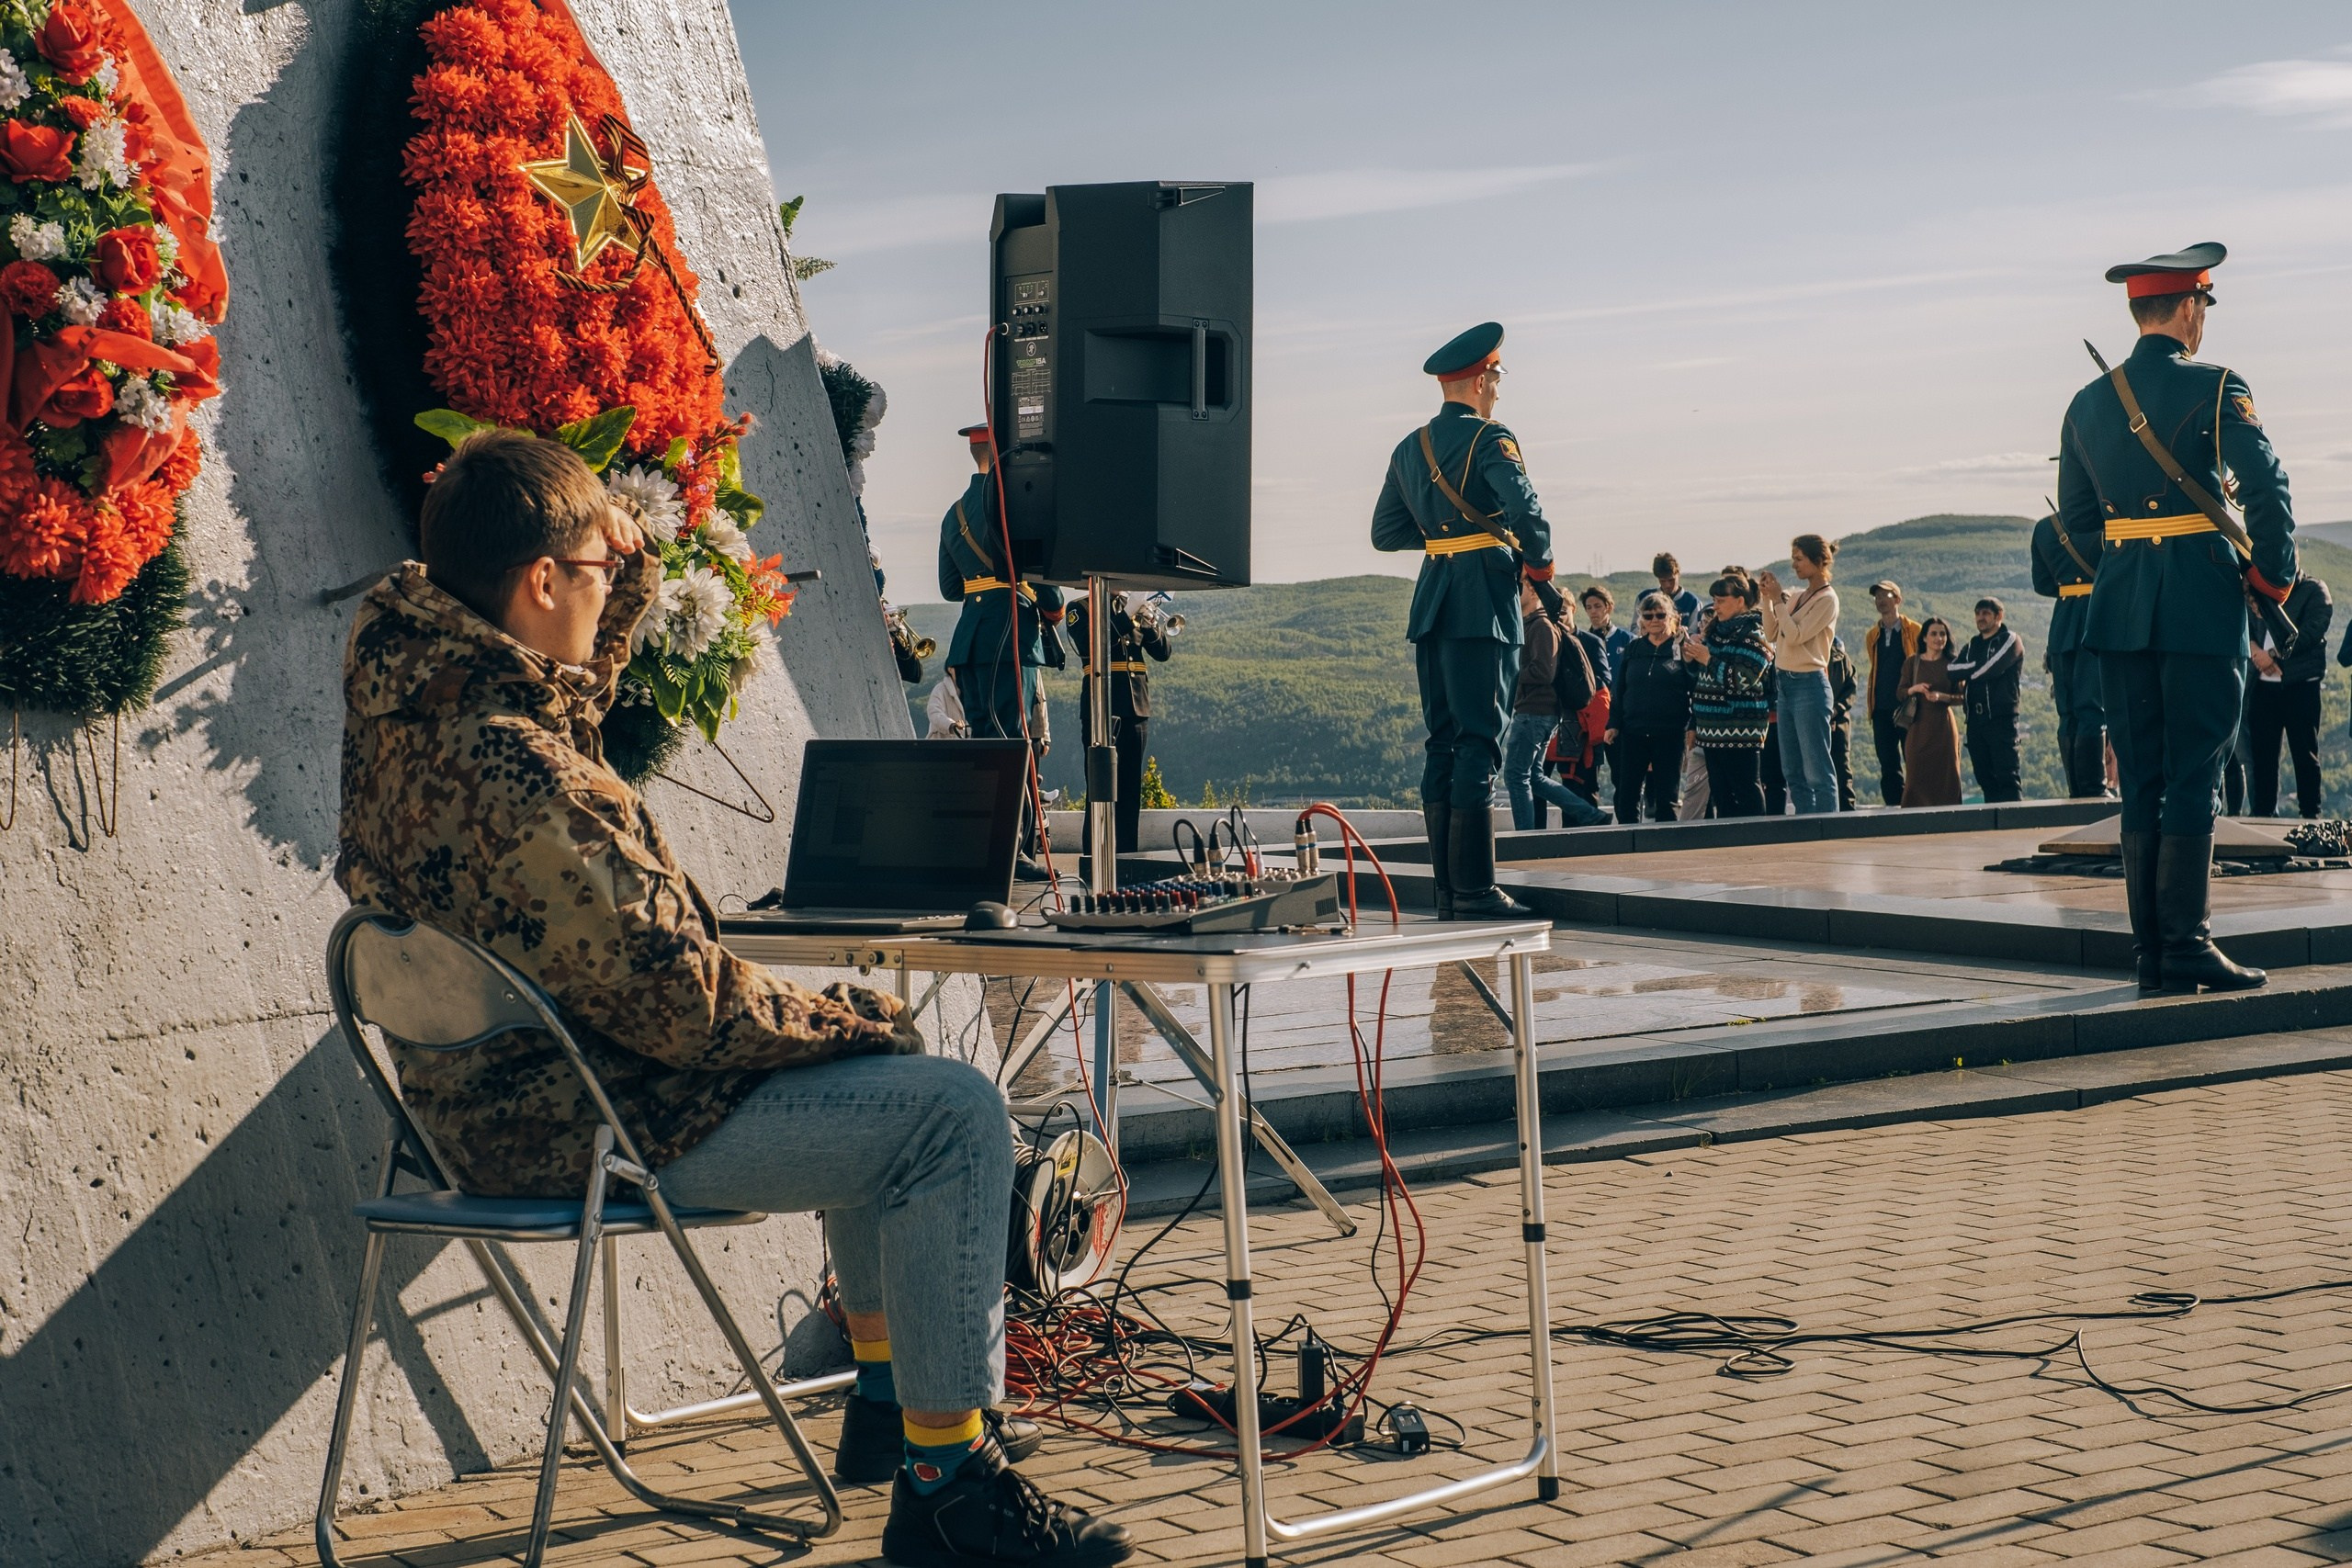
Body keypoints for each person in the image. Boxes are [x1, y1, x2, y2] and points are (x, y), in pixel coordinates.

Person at [336, 431, 1128, 1568]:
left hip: (472, 1107)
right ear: (543, 581)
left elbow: (567, 700)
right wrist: (854, 1020)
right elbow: (687, 1010)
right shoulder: (520, 769)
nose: (615, 578)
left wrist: (629, 568)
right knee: (946, 1111)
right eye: (598, 570)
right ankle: (953, 1485)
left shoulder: (413, 707)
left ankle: (887, 1397)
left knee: (875, 1082)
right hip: (590, 1122)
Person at [2057, 242, 2294, 993]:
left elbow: (2078, 521)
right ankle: (2186, 945)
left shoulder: (2087, 404)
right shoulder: (2220, 384)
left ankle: (2151, 951)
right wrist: (2267, 580)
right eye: (2204, 307)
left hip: (2120, 611)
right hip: (2198, 601)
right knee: (2197, 773)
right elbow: (2269, 493)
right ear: (2191, 308)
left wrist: (2131, 567)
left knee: (2144, 778)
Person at [1371, 321, 1554, 919]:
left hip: (1433, 600)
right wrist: (1540, 563)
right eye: (1496, 376)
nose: (1498, 386)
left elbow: (1386, 532)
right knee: (1479, 741)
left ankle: (1448, 890)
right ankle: (1475, 890)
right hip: (1482, 599)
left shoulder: (1410, 446)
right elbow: (1527, 511)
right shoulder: (1491, 438)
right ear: (1481, 378)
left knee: (1443, 744)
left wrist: (1442, 537)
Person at [939, 423, 1067, 881]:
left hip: (970, 639)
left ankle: (984, 847)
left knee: (983, 745)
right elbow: (1049, 596)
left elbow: (950, 587)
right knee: (1015, 744)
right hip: (1010, 634)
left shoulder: (953, 514)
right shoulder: (1017, 508)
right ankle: (1016, 853)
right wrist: (1049, 606)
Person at [1065, 592, 1173, 860]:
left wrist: (1150, 627)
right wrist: (1126, 617)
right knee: (1100, 787)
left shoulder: (1131, 607)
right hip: (1102, 704)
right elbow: (1090, 645)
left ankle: (1127, 858)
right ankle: (1094, 859)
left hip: (1136, 705)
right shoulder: (1080, 607)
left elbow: (1163, 653)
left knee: (1129, 791)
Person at [1502, 581, 1610, 829]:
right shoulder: (1537, 623)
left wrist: (1510, 672)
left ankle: (1525, 839)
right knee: (1535, 778)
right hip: (1540, 713)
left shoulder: (1541, 626)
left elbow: (1543, 671)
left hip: (1534, 713)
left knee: (1516, 777)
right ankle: (1591, 815)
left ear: (1531, 588)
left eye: (1518, 587)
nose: (1514, 592)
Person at [1757, 536, 1840, 815]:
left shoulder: (1827, 599)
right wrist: (1768, 600)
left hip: (1809, 685)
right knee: (1792, 770)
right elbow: (1771, 634)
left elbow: (1794, 637)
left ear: (1818, 562)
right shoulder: (1797, 597)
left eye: (1799, 558)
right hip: (1786, 685)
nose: (1794, 565)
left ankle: (1827, 826)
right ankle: (1806, 826)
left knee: (1817, 769)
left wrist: (1779, 602)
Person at [2030, 508, 2108, 797]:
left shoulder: (2044, 527)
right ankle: (2093, 787)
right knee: (2091, 708)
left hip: (2062, 622)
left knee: (2068, 711)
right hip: (2096, 617)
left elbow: (2042, 584)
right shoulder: (2104, 520)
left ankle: (2077, 788)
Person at [1684, 572, 1772, 817]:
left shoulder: (1756, 633)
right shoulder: (1714, 631)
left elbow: (1742, 680)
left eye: (1722, 600)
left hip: (1740, 729)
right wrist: (1691, 660)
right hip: (1710, 730)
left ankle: (1756, 843)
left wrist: (1707, 659)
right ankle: (1729, 848)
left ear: (1740, 600)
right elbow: (1701, 677)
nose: (1716, 606)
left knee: (1745, 790)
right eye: (1714, 600)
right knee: (1721, 794)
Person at [2247, 574, 2331, 817]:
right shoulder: (2259, 589)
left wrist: (2271, 655)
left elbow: (2311, 632)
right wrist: (2255, 652)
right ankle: (2263, 815)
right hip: (2263, 686)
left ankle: (2310, 816)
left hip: (2300, 685)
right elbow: (2242, 622)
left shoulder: (2313, 590)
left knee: (2304, 754)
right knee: (2263, 757)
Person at [1605, 591, 1690, 820]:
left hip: (1670, 732)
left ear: (1670, 617)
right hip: (1633, 730)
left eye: (1660, 615)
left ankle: (1665, 847)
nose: (1654, 620)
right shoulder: (1634, 649)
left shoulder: (1681, 648)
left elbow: (1692, 687)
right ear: (1641, 618)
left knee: (1667, 797)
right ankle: (1627, 842)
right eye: (1648, 615)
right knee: (1627, 794)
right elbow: (1620, 690)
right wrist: (1614, 724)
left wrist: (1691, 726)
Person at [1950, 597, 2025, 804]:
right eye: (1978, 613)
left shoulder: (2010, 639)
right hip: (1975, 720)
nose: (1981, 618)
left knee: (2007, 775)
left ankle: (2016, 824)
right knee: (1984, 776)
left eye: (1986, 613)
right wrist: (1976, 667)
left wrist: (1971, 669)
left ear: (1998, 616)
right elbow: (1952, 670)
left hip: (2002, 718)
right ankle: (1995, 826)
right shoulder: (1973, 643)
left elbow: (1991, 668)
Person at [1862, 581, 1922, 806]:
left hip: (1909, 707)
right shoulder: (1873, 636)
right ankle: (1893, 808)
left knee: (1913, 760)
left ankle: (1916, 806)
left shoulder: (1914, 631)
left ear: (1898, 599)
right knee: (1888, 764)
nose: (1880, 600)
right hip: (1881, 708)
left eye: (1884, 595)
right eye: (1876, 596)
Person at [1897, 616, 1964, 807]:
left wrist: (1943, 697)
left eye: (1942, 634)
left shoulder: (1952, 664)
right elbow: (1900, 692)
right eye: (1934, 634)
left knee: (1947, 776)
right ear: (1924, 638)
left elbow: (1963, 697)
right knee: (1916, 776)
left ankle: (1949, 821)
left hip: (1943, 728)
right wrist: (1915, 689)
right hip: (1918, 727)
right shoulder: (1913, 663)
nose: (1939, 638)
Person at [1827, 634, 1860, 811]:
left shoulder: (1840, 654)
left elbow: (1851, 690)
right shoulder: (1804, 652)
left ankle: (1848, 814)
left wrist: (1836, 709)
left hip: (1839, 723)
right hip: (1813, 721)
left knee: (1842, 769)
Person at [1653, 551, 1701, 624]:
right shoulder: (1644, 598)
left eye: (1671, 580)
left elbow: (1695, 631)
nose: (1668, 585)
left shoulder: (1692, 602)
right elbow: (1636, 629)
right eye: (1663, 581)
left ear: (1678, 574)